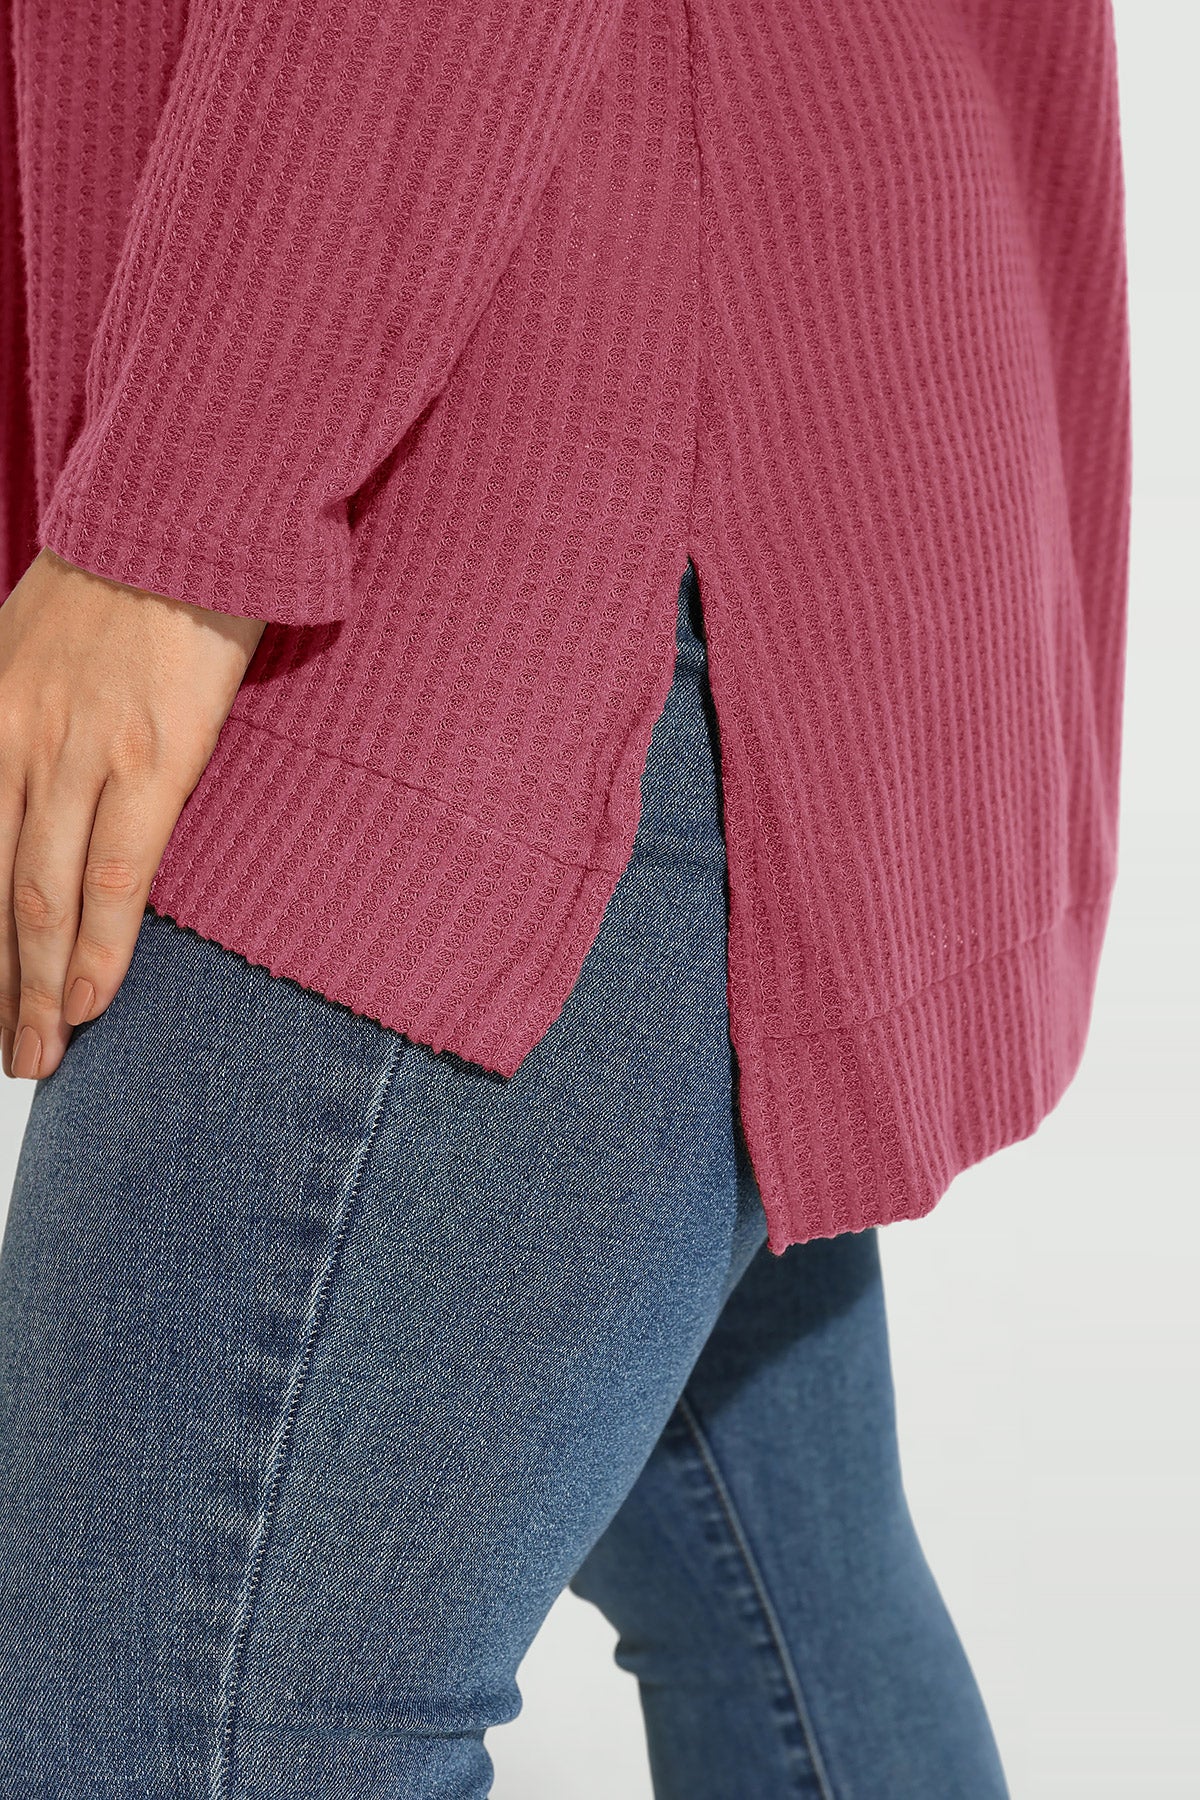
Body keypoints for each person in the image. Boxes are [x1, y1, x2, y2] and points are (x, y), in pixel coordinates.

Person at [0, 0, 1129, 1794]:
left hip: (510, 480)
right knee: (781, 1604)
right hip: (720, 361)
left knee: (180, 1733)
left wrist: (179, 508)